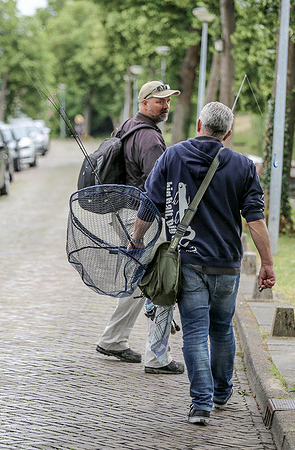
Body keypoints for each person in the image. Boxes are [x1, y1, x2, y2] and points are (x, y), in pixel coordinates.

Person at [131, 101, 276, 425]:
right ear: (228, 133)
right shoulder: (242, 165)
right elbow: (255, 220)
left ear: (199, 125)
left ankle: (201, 403)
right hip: (226, 265)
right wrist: (267, 263)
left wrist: (136, 240)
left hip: (190, 262)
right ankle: (223, 391)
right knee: (222, 328)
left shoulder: (174, 155)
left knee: (195, 331)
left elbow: (149, 203)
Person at [95, 80, 186, 375]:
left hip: (124, 212)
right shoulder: (150, 139)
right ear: (144, 103)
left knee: (138, 280)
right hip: (141, 217)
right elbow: (159, 185)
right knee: (161, 280)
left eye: (168, 101)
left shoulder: (127, 127)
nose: (165, 106)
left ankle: (113, 340)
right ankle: (157, 357)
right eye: (160, 101)